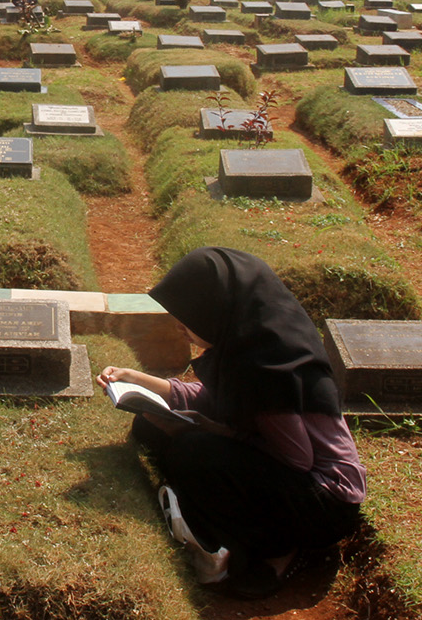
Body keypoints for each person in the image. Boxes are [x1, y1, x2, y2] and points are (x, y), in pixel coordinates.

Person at [96, 247, 365, 600]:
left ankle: (277, 548)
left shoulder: (267, 367)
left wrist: (206, 430)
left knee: (193, 451)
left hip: (323, 502)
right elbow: (212, 399)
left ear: (215, 311)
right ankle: (212, 518)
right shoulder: (246, 340)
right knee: (149, 426)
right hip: (287, 477)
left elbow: (295, 458)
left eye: (187, 317)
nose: (180, 327)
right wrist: (138, 380)